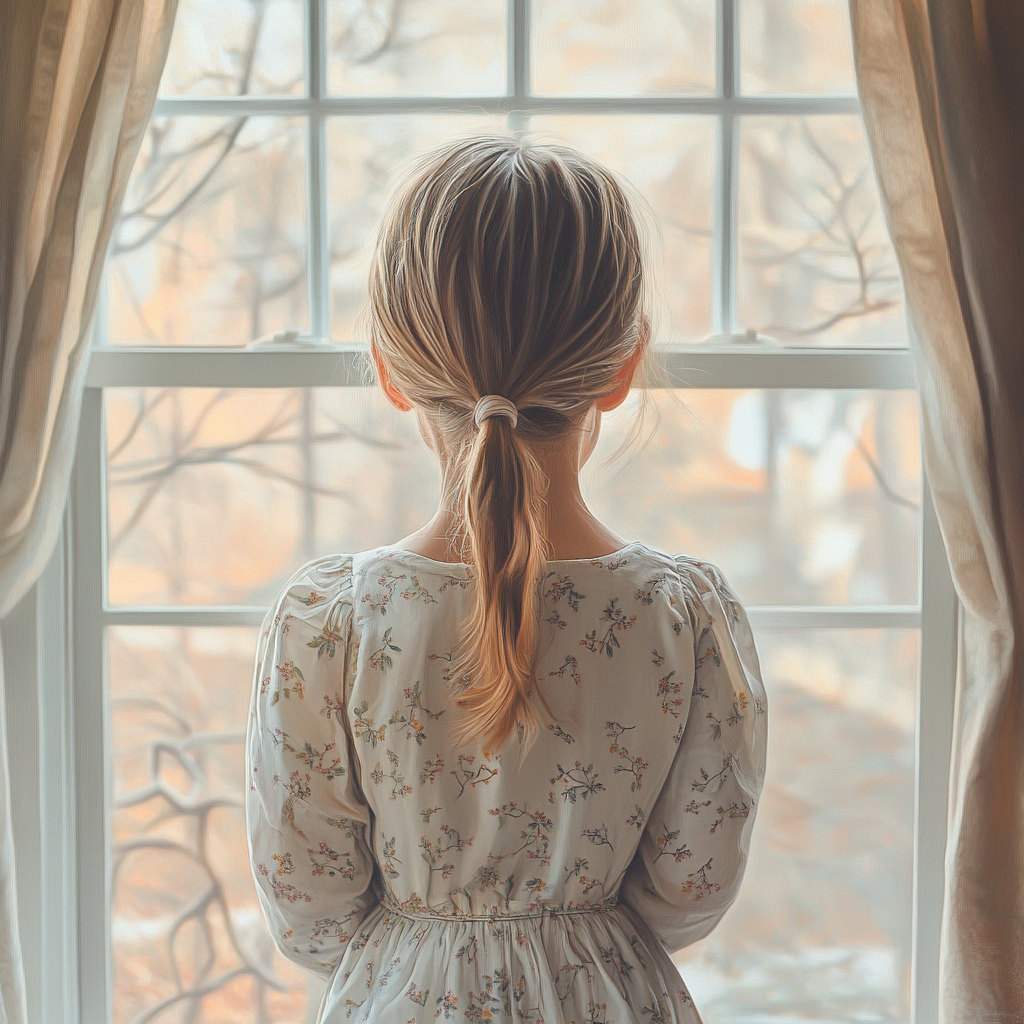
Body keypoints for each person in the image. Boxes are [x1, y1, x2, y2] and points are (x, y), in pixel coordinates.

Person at [246, 136, 768, 1023]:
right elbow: (694, 884)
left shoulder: (329, 623)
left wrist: (432, 940)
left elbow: (310, 908)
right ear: (622, 367)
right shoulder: (683, 615)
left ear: (390, 371)